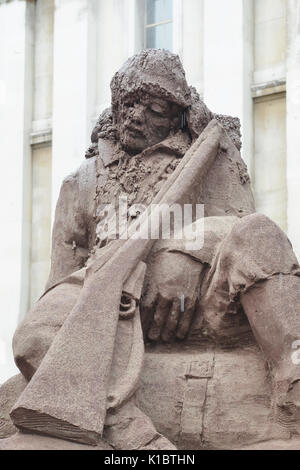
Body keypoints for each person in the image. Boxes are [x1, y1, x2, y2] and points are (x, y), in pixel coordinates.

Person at [12, 49, 300, 448]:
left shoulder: (209, 157)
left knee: (261, 235)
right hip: (110, 310)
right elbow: (60, 280)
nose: (136, 116)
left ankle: (295, 378)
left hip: (200, 304)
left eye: (155, 108)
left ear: (179, 115)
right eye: (128, 103)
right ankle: (120, 420)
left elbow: (243, 226)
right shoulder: (80, 182)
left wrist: (185, 253)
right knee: (33, 334)